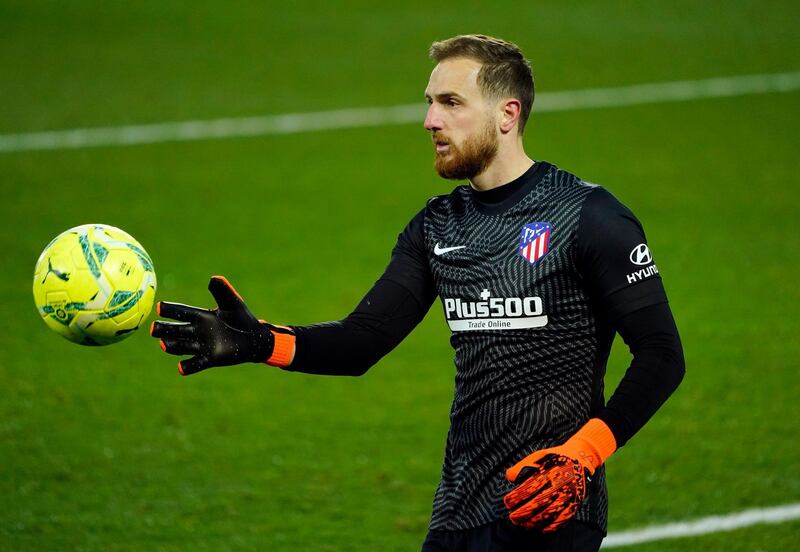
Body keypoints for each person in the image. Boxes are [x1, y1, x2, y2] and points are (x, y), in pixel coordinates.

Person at [151, 34, 685, 552]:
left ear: (507, 114)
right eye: (429, 103)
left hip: (549, 507)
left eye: (451, 102)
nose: (430, 120)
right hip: (459, 512)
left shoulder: (588, 216)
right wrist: (263, 343)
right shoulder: (436, 226)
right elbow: (363, 340)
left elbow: (662, 354)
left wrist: (581, 456)